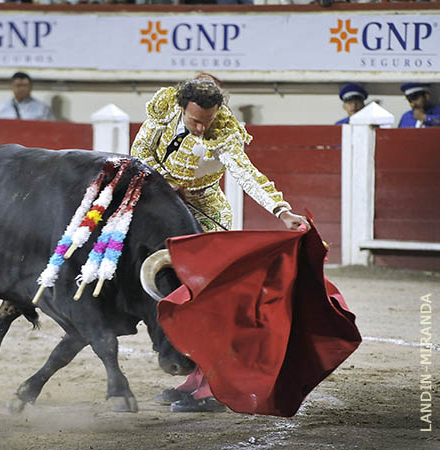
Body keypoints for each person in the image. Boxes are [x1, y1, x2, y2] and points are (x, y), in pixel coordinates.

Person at [131, 77, 310, 412]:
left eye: (207, 121)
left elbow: (247, 173)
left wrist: (281, 211)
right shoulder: (164, 107)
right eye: (195, 120)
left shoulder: (224, 131)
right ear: (181, 106)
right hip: (158, 205)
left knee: (208, 299)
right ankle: (195, 378)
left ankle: (213, 386)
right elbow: (139, 152)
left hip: (206, 211)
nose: (201, 129)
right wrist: (166, 185)